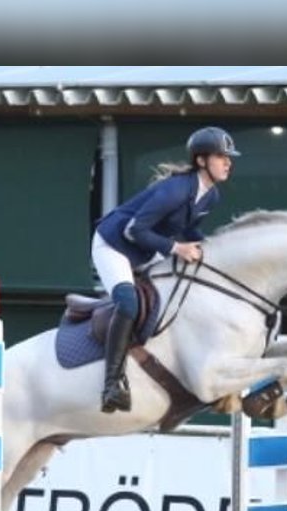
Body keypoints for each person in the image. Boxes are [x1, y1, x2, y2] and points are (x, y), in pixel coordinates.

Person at [90, 125, 240, 413]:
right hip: (115, 246)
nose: (228, 162)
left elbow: (190, 231)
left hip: (146, 248)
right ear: (201, 160)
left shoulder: (210, 196)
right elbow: (134, 230)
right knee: (128, 302)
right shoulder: (174, 190)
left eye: (228, 157)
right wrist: (176, 249)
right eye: (221, 156)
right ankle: (112, 384)